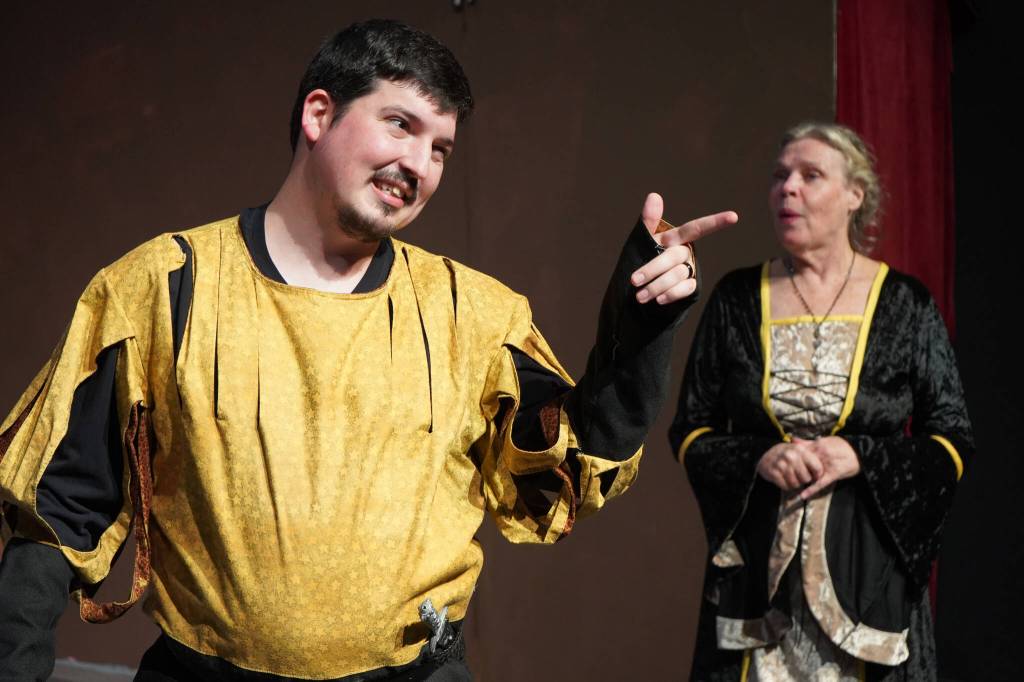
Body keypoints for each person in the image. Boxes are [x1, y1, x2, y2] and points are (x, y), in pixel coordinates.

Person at [0, 19, 736, 682]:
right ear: (319, 114)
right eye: (400, 125)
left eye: (440, 148)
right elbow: (59, 510)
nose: (419, 164)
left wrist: (640, 331)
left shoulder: (473, 313)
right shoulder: (162, 288)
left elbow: (569, 467)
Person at [669, 122, 972, 681]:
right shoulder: (738, 299)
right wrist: (759, 457)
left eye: (810, 175)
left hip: (868, 580)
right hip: (757, 585)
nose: (788, 188)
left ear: (855, 195)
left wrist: (861, 456)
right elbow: (691, 428)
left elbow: (951, 438)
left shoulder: (905, 304)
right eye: (780, 176)